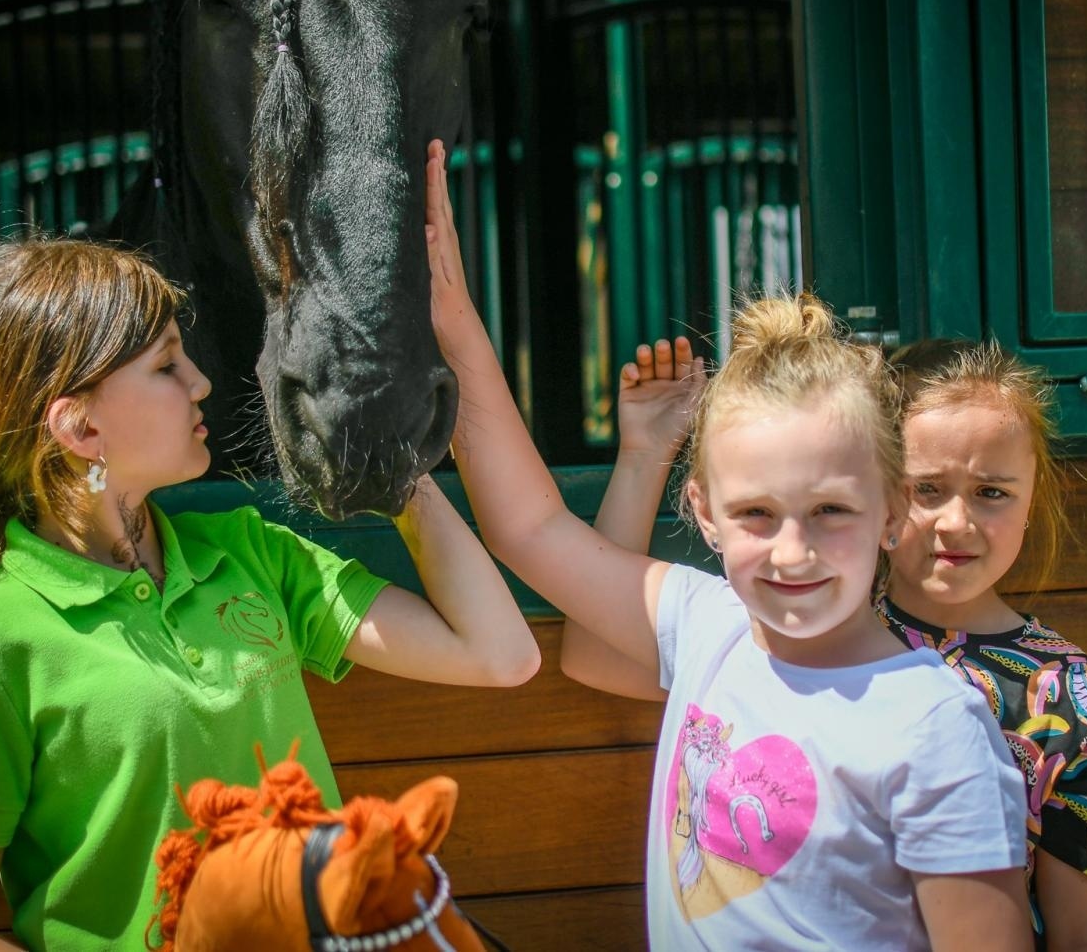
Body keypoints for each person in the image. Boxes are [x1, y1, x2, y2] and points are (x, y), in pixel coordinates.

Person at [425, 141, 1030, 950]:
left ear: (893, 512)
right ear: (703, 512)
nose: (791, 553)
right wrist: (451, 322)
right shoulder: (708, 625)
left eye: (829, 512)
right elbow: (528, 529)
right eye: (755, 515)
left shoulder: (938, 727)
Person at [0, 237, 538, 951]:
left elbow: (499, 654)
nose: (201, 382)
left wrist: (393, 462)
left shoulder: (247, 551)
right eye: (167, 365)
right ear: (81, 427)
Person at [875, 338, 1087, 950]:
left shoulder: (1069, 688)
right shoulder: (823, 636)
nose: (957, 523)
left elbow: (1086, 933)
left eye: (991, 492)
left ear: (1030, 504)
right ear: (879, 489)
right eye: (927, 489)